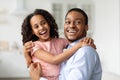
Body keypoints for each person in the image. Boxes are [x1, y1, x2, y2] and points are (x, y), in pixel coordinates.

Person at [28, 8, 102, 80]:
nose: (71, 26)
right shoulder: (68, 48)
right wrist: (26, 53)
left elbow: (54, 60)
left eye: (78, 22)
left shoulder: (85, 51)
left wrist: (38, 79)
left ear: (86, 27)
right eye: (68, 22)